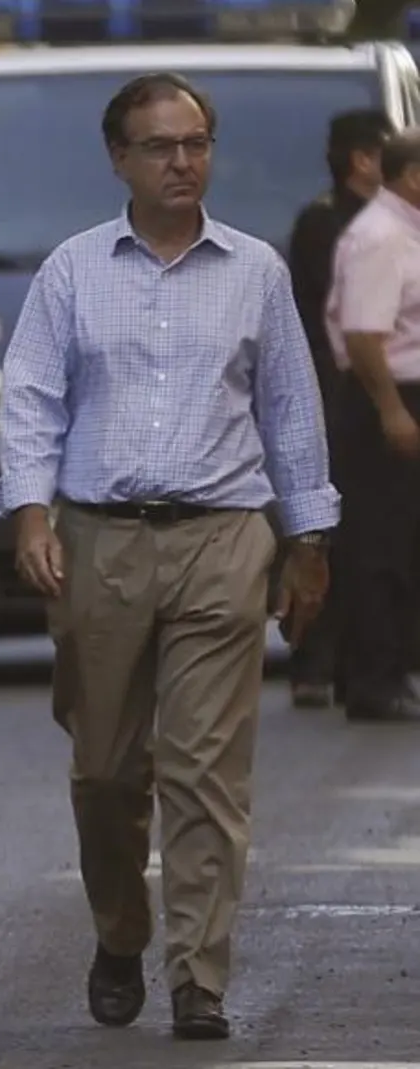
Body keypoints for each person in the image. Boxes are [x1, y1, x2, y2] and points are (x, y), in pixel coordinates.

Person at [0, 73, 336, 1041]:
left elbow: (289, 412)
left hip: (224, 539)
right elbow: (30, 400)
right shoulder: (71, 271)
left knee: (205, 770)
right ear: (119, 159)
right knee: (104, 771)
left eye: (194, 143)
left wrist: (306, 538)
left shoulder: (254, 271)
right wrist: (28, 515)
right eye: (159, 146)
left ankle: (197, 973)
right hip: (99, 539)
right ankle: (119, 930)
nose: (181, 161)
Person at [284, 109, 393, 709]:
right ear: (362, 158)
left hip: (358, 387)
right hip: (331, 388)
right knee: (327, 528)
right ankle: (314, 658)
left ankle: (357, 658)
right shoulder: (330, 224)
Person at [325, 128, 420, 722]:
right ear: (413, 177)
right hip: (386, 394)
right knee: (378, 541)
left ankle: (394, 669)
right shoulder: (380, 237)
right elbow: (363, 334)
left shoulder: (404, 230)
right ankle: (372, 680)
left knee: (405, 539)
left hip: (401, 391)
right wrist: (391, 409)